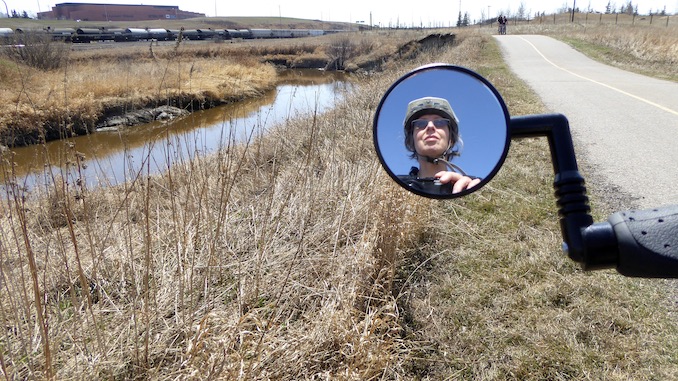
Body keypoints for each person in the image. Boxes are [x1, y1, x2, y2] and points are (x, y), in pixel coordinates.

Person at [398, 96, 481, 195]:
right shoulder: (394, 187)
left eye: (440, 122)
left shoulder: (473, 185)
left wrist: (476, 195)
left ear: (451, 139)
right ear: (411, 141)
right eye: (420, 124)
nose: (430, 126)